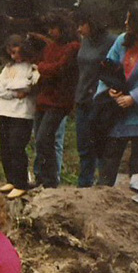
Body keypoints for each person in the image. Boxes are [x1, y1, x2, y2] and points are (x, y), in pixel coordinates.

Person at [96, 5, 138, 186]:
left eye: (130, 19)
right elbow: (108, 67)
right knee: (112, 151)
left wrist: (133, 97)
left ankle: (137, 193)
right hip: (120, 107)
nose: (125, 23)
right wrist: (109, 89)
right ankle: (102, 191)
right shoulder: (121, 41)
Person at [29, 11, 80, 188]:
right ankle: (42, 178)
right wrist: (43, 69)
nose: (50, 32)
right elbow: (40, 63)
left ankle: (51, 180)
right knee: (40, 140)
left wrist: (42, 69)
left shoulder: (73, 47)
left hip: (59, 101)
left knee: (45, 138)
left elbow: (60, 68)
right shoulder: (50, 47)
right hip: (43, 99)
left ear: (63, 28)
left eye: (53, 28)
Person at [73, 6, 118, 187]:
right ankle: (84, 183)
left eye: (82, 24)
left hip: (100, 101)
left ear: (93, 23)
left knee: (101, 145)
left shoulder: (111, 42)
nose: (79, 29)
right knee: (83, 144)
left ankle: (104, 184)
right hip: (82, 98)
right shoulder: (85, 41)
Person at [0, 34, 40, 199]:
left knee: (16, 146)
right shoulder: (8, 68)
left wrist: (11, 88)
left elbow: (28, 86)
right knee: (5, 147)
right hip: (4, 111)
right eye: (10, 53)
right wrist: (13, 93)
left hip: (22, 114)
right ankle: (11, 179)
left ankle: (21, 183)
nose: (13, 56)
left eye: (15, 52)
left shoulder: (32, 68)